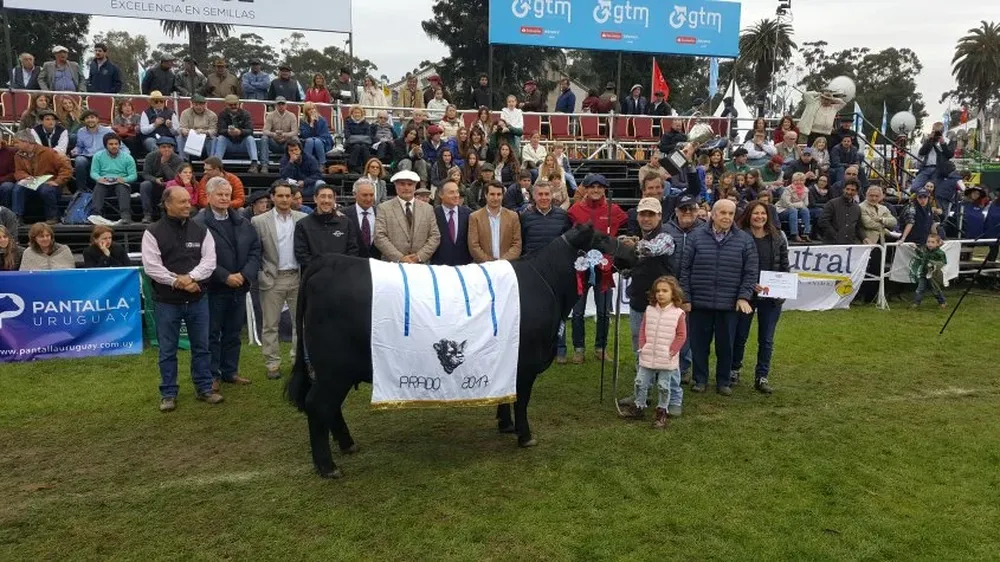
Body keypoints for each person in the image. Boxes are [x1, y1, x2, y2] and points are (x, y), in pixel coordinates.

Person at [141, 186, 224, 411]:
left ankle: (204, 388)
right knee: (167, 350)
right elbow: (152, 267)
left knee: (202, 347)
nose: (188, 205)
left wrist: (189, 278)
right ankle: (168, 393)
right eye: (182, 202)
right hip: (167, 302)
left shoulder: (201, 230)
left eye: (189, 201)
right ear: (167, 204)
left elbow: (209, 262)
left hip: (198, 300)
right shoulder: (152, 231)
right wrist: (179, 282)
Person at [680, 199, 758, 396]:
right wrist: (686, 298)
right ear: (712, 215)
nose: (726, 217)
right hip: (699, 302)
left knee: (726, 346)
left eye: (731, 214)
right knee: (699, 345)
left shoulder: (745, 240)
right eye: (722, 213)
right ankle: (700, 379)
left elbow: (750, 272)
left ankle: (723, 381)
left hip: (730, 304)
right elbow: (684, 269)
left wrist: (743, 297)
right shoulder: (695, 237)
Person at [193, 175, 261, 387]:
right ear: (209, 196)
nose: (224, 199)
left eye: (227, 195)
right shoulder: (199, 223)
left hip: (239, 286)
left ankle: (230, 371)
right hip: (213, 288)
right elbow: (198, 258)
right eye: (220, 195)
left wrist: (244, 274)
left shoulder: (242, 221)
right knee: (211, 334)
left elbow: (255, 250)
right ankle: (212, 375)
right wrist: (225, 276)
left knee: (233, 333)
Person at [567, 174, 627, 363]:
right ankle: (578, 348)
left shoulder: (614, 210)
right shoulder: (575, 210)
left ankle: (601, 347)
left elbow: (622, 231)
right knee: (577, 311)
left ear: (604, 190)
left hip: (604, 268)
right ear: (585, 189)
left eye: (599, 187)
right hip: (581, 269)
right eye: (591, 187)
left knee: (603, 311)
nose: (595, 190)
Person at [730, 200, 788, 395]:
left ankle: (762, 376)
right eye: (755, 213)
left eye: (763, 213)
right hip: (746, 295)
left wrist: (782, 287)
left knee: (767, 339)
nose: (759, 217)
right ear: (749, 215)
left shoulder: (777, 236)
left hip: (771, 297)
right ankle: (734, 370)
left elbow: (784, 266)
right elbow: (734, 266)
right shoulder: (739, 236)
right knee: (740, 335)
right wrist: (748, 285)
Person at [252, 182, 307, 380]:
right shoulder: (258, 221)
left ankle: (297, 360)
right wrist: (261, 273)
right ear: (272, 198)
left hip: (297, 277)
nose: (285, 199)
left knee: (299, 323)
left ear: (292, 198)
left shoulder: (303, 219)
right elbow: (254, 251)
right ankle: (272, 363)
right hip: (271, 278)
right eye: (280, 196)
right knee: (270, 324)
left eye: (288, 196)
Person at [620, 275, 687, 427]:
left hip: (666, 358)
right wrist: (643, 346)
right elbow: (643, 329)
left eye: (665, 291)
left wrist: (672, 351)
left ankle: (661, 411)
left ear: (673, 293)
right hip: (648, 356)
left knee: (664, 386)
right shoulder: (649, 310)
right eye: (658, 291)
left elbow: (681, 335)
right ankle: (639, 406)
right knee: (640, 382)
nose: (660, 294)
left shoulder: (678, 314)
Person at [373, 170, 441, 264]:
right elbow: (379, 236)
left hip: (420, 265)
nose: (406, 188)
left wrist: (419, 256)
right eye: (402, 184)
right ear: (396, 185)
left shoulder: (428, 209)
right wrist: (400, 258)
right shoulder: (383, 208)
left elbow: (435, 236)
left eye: (410, 184)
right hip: (393, 265)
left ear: (415, 186)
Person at [294, 183, 359, 273]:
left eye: (330, 197)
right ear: (315, 199)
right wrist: (321, 268)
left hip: (341, 276)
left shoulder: (346, 223)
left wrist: (340, 267)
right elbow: (301, 254)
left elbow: (353, 251)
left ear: (334, 199)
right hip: (314, 278)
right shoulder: (303, 224)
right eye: (323, 196)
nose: (326, 200)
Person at [11, 130, 72, 225]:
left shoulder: (49, 152)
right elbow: (18, 171)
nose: (14, 145)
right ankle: (17, 217)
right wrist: (26, 177)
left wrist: (57, 181)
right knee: (18, 187)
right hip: (31, 183)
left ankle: (53, 216)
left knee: (45, 189)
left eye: (16, 142)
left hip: (49, 183)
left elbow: (66, 168)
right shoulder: (18, 155)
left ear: (26, 142)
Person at [468, 181, 522, 263]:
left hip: (506, 266)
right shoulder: (475, 217)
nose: (496, 198)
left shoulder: (513, 216)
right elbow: (473, 245)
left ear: (503, 196)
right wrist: (489, 263)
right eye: (492, 194)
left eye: (499, 194)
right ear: (486, 195)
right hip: (483, 267)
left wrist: (501, 263)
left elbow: (517, 244)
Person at [89, 133, 137, 223]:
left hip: (120, 182)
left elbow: (133, 175)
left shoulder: (128, 157)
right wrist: (99, 178)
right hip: (104, 182)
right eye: (111, 144)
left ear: (119, 145)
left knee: (122, 187)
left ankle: (126, 216)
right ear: (106, 145)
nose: (114, 146)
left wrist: (124, 179)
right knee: (99, 186)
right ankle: (95, 214)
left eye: (116, 144)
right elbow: (94, 172)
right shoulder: (98, 156)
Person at [140, 137, 185, 223]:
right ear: (159, 148)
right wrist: (155, 179)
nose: (166, 149)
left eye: (169, 147)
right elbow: (145, 174)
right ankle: (147, 215)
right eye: (163, 147)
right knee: (145, 185)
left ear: (173, 148)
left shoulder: (178, 160)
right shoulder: (151, 156)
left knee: (173, 186)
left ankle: (167, 215)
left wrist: (164, 164)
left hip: (170, 185)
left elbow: (175, 178)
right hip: (154, 184)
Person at [213, 95, 261, 173]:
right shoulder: (222, 114)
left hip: (242, 144)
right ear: (226, 104)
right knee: (221, 138)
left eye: (235, 104)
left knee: (250, 138)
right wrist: (228, 132)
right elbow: (220, 130)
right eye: (231, 105)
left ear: (239, 104)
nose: (234, 106)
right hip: (229, 144)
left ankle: (254, 163)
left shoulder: (245, 114)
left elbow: (250, 130)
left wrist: (240, 132)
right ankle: (217, 164)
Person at [72, 110, 115, 193]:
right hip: (87, 156)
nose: (90, 120)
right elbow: (79, 146)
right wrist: (75, 150)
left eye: (92, 117)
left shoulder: (108, 131)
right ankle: (81, 190)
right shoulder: (81, 131)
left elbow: (119, 145)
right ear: (84, 121)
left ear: (97, 119)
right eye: (87, 118)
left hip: (103, 157)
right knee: (79, 161)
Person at [259, 97, 299, 173]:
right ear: (275, 105)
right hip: (274, 143)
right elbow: (265, 131)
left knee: (295, 138)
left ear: (286, 105)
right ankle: (264, 165)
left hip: (287, 144)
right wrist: (273, 134)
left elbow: (295, 131)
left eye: (283, 104)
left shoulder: (292, 115)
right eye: (279, 104)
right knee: (264, 138)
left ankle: (297, 163)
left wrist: (285, 135)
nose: (281, 106)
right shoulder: (270, 115)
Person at [343, 177, 381, 260]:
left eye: (371, 195)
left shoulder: (381, 213)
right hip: (353, 264)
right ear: (354, 194)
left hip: (377, 264)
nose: (368, 199)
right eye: (364, 195)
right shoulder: (343, 215)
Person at [819, 179, 864, 244]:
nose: (849, 192)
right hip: (832, 243)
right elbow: (823, 221)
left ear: (856, 192)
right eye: (847, 189)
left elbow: (858, 227)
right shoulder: (832, 203)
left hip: (849, 244)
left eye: (852, 190)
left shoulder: (857, 208)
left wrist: (864, 238)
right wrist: (835, 235)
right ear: (843, 189)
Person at [910, 233, 947, 309]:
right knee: (920, 288)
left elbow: (943, 262)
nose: (930, 244)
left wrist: (933, 264)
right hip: (924, 273)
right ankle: (916, 303)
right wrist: (916, 249)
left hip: (933, 275)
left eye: (933, 242)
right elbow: (922, 256)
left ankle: (942, 302)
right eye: (928, 242)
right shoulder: (926, 251)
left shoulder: (940, 253)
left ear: (938, 244)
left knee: (935, 289)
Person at [176, 94, 218, 161]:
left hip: (205, 139)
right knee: (180, 137)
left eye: (201, 104)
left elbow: (214, 130)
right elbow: (182, 128)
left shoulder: (212, 115)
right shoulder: (185, 113)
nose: (199, 107)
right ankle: (183, 161)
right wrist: (185, 131)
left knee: (213, 139)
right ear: (192, 104)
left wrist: (204, 132)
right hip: (190, 138)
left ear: (205, 104)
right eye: (196, 104)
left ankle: (212, 161)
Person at [913, 125, 955, 192]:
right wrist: (930, 140)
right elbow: (922, 152)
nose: (937, 134)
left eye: (939, 132)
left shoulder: (948, 141)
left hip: (939, 169)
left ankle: (929, 199)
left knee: (934, 189)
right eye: (935, 131)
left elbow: (950, 155)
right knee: (914, 188)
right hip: (926, 168)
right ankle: (924, 196)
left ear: (942, 131)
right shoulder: (928, 140)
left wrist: (943, 143)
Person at [776, 172, 812, 243]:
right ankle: (794, 234)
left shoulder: (806, 190)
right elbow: (787, 204)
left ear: (804, 181)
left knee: (805, 210)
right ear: (792, 181)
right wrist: (800, 204)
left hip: (796, 210)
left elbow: (806, 204)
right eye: (796, 180)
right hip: (782, 210)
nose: (799, 182)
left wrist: (799, 205)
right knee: (793, 210)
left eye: (801, 180)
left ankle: (805, 233)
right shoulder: (788, 189)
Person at [299, 102, 333, 167]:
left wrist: (315, 138)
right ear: (306, 112)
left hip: (323, 141)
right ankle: (306, 164)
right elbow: (304, 135)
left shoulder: (322, 120)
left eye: (313, 108)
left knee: (317, 142)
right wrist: (311, 124)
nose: (312, 111)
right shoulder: (303, 121)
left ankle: (322, 164)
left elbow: (325, 135)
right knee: (310, 141)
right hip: (308, 141)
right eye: (309, 110)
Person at [343, 105, 373, 174]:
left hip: (364, 144)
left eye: (359, 113)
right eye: (355, 112)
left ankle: (367, 166)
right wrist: (361, 138)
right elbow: (347, 135)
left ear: (361, 114)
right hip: (351, 145)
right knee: (357, 146)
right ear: (352, 113)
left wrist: (355, 138)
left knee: (363, 147)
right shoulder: (348, 123)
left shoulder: (366, 123)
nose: (357, 114)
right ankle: (353, 167)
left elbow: (368, 136)